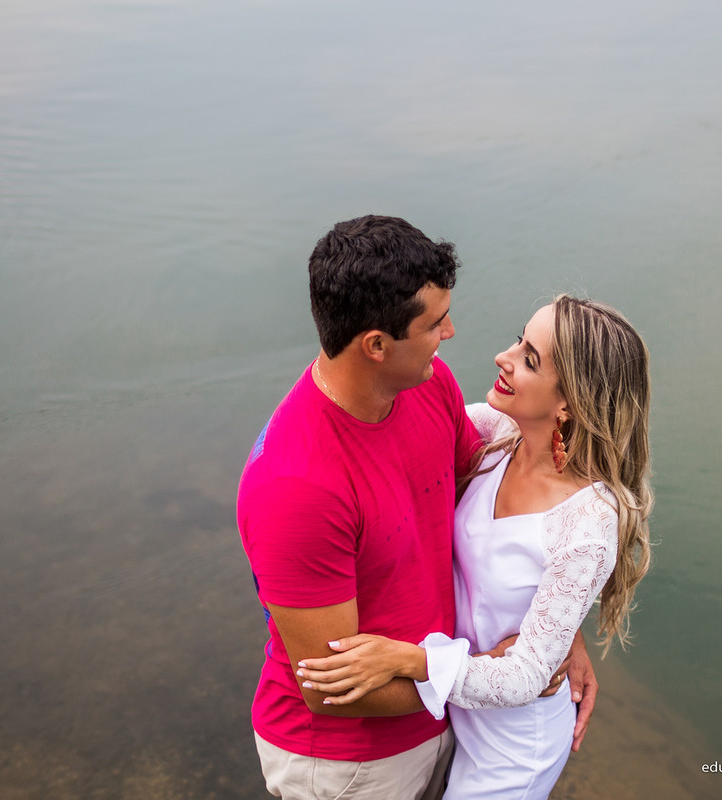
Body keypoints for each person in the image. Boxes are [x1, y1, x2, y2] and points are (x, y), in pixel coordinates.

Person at [237, 216, 597, 800]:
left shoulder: (428, 386)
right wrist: (493, 678)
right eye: (434, 323)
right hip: (348, 765)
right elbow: (327, 691)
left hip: (441, 721)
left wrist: (555, 634)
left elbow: (489, 512)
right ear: (377, 345)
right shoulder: (296, 487)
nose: (450, 332)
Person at [296, 296, 653, 799]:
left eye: (530, 360)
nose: (503, 357)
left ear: (569, 403)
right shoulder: (496, 432)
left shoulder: (588, 524)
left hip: (513, 751)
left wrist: (409, 661)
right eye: (519, 341)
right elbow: (387, 435)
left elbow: (526, 677)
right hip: (456, 718)